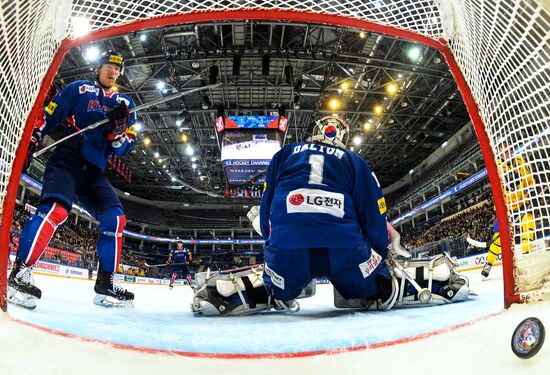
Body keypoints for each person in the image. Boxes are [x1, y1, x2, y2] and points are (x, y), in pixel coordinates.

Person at [191, 116, 471, 316]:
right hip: (345, 252)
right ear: (344, 139)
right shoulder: (355, 162)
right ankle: (436, 280)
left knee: (278, 288)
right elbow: (373, 216)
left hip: (287, 254)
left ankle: (241, 291)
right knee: (379, 285)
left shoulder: (283, 154)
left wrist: (272, 245)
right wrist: (381, 253)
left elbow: (266, 211)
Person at [8, 50, 137, 309]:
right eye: (108, 66)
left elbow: (123, 146)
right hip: (68, 157)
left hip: (95, 169)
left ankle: (106, 283)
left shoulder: (125, 104)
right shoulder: (79, 89)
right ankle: (19, 273)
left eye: (117, 69)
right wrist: (33, 138)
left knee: (115, 218)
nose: (112, 71)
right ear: (98, 68)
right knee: (56, 210)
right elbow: (49, 114)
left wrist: (118, 131)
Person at [482, 139, 535, 278]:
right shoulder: (496, 166)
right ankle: (488, 264)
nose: (508, 153)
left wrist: (532, 190)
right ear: (499, 153)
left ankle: (526, 256)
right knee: (498, 238)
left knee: (528, 224)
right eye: (504, 151)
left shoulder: (520, 160)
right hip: (505, 207)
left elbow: (529, 180)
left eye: (509, 150)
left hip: (523, 203)